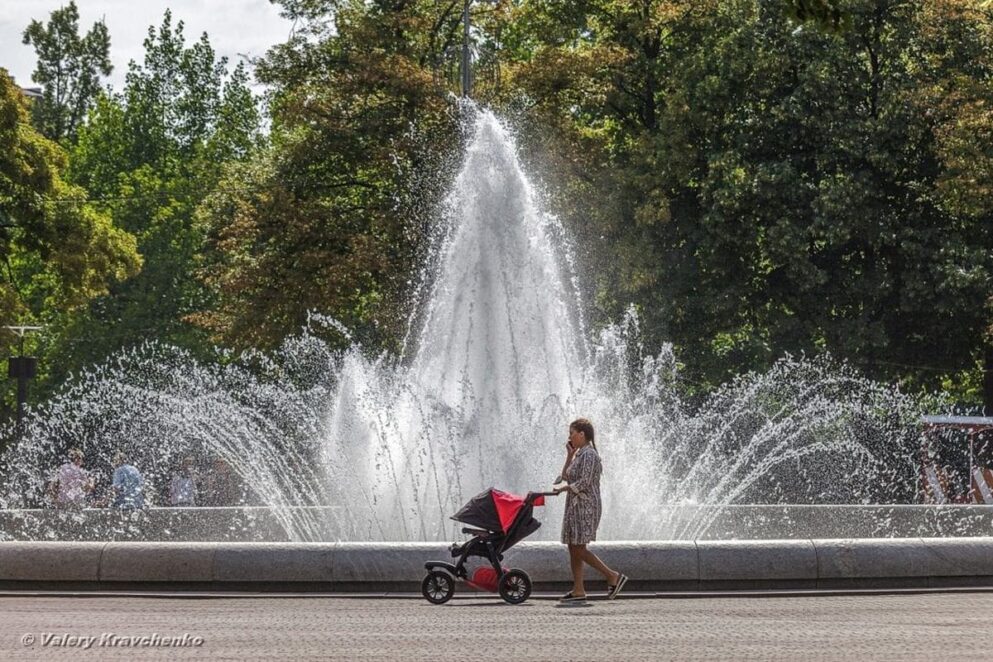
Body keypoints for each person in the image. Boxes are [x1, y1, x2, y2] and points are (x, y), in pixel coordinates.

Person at [553, 418, 628, 603]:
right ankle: (578, 590)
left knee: (578, 548)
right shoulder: (579, 454)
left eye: (571, 433)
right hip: (575, 505)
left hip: (586, 506)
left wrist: (564, 489)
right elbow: (566, 476)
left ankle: (612, 576)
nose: (569, 437)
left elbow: (585, 482)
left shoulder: (590, 455)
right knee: (574, 547)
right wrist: (569, 455)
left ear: (582, 434)